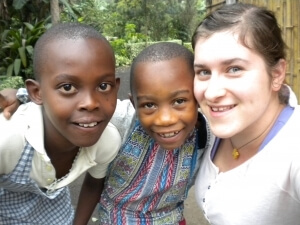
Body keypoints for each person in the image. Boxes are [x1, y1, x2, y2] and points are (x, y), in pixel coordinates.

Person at [1, 42, 209, 224]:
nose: (166, 119)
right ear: (133, 102)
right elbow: (78, 105)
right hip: (117, 218)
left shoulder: (208, 133)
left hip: (172, 218)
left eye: (180, 101)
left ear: (198, 97)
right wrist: (20, 96)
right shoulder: (122, 120)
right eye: (149, 105)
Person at [0, 23, 121, 225]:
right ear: (37, 93)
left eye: (103, 86)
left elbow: (93, 183)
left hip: (57, 215)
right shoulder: (9, 139)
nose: (90, 103)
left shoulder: (106, 141)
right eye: (67, 87)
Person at [192, 3, 300, 225]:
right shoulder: (208, 130)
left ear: (277, 73)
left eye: (234, 69)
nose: (212, 93)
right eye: (203, 72)